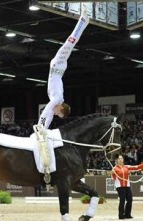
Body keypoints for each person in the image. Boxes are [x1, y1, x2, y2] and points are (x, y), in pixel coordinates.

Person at [34, 4, 90, 183]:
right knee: (71, 40)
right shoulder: (57, 99)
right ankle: (83, 20)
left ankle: (83, 21)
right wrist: (41, 127)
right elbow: (47, 112)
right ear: (62, 109)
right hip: (58, 64)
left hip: (58, 66)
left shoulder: (59, 99)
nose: (56, 113)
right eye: (59, 113)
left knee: (71, 42)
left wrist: (44, 128)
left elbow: (49, 112)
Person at [111, 154, 143, 219]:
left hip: (127, 186)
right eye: (119, 158)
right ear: (117, 160)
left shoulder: (127, 167)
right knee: (122, 200)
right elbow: (113, 178)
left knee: (130, 200)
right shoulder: (114, 168)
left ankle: (127, 214)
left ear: (123, 160)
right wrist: (112, 173)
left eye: (121, 158)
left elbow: (136, 167)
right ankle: (121, 215)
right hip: (119, 186)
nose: (120, 160)